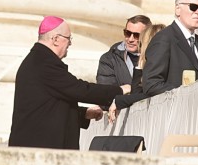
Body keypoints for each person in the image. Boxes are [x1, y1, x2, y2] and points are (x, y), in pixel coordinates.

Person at [9, 16, 130, 150]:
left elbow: (47, 107)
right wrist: (119, 91)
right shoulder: (44, 63)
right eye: (68, 39)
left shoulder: (38, 59)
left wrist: (84, 113)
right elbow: (80, 89)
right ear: (55, 39)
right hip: (38, 148)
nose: (70, 44)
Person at [142, 0, 198, 97]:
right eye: (193, 7)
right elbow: (151, 84)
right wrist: (186, 93)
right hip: (174, 110)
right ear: (178, 9)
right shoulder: (164, 38)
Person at [108, 23, 166, 122]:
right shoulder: (147, 63)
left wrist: (119, 100)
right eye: (127, 33)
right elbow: (137, 92)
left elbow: (153, 94)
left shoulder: (164, 65)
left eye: (141, 42)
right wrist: (139, 67)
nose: (140, 48)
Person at [96, 15, 151, 86]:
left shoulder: (156, 57)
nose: (130, 39)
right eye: (127, 33)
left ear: (147, 36)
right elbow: (106, 91)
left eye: (137, 35)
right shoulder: (109, 59)